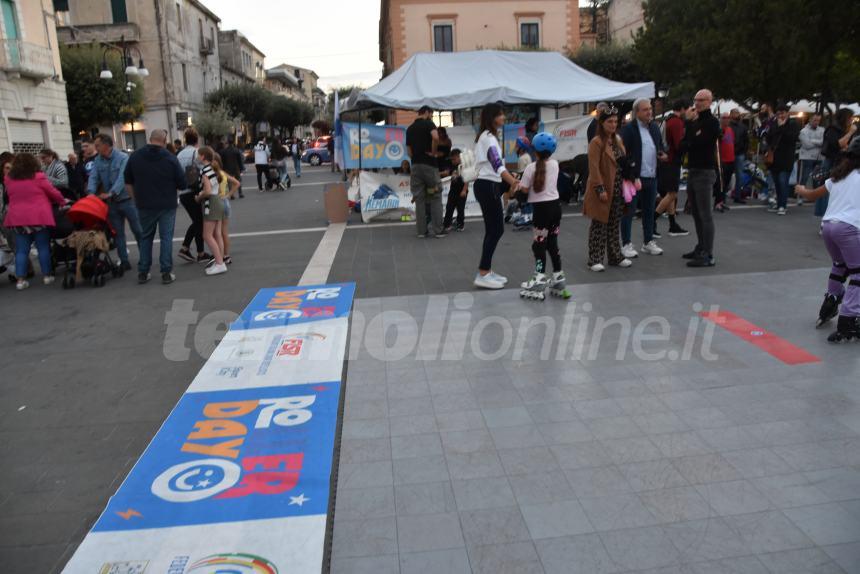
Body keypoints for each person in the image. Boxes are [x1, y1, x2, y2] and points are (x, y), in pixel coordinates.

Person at [795, 136, 860, 342]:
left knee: (839, 266)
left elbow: (812, 195)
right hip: (849, 228)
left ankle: (829, 305)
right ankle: (848, 320)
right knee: (858, 275)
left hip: (828, 227)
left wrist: (800, 189)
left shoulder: (839, 176)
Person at [124, 129, 186, 285]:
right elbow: (182, 183)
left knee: (146, 237)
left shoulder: (135, 157)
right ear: (164, 141)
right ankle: (166, 272)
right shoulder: (170, 158)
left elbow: (127, 182)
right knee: (166, 237)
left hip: (144, 204)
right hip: (166, 204)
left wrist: (135, 199)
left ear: (150, 139)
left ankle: (143, 272)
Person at [473, 103, 521, 288]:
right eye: (500, 115)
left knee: (493, 230)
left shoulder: (487, 136)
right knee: (496, 230)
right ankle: (483, 273)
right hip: (488, 186)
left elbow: (495, 165)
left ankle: (486, 271)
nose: (504, 118)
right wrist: (512, 181)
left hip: (488, 185)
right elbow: (496, 164)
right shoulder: (489, 138)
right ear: (492, 117)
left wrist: (510, 178)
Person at [3, 153, 68, 289]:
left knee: (21, 250)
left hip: (18, 219)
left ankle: (20, 280)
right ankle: (47, 276)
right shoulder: (38, 177)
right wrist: (62, 201)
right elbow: (53, 192)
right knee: (42, 247)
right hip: (38, 217)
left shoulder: (8, 179)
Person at [517, 132, 570, 300]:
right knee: (552, 243)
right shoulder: (555, 164)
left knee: (538, 245)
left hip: (541, 211)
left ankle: (539, 276)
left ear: (534, 149)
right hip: (555, 208)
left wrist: (516, 189)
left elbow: (523, 193)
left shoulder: (530, 168)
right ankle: (558, 277)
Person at [584, 106, 631, 272]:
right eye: (609, 121)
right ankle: (595, 258)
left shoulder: (617, 140)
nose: (613, 124)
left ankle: (615, 256)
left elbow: (623, 162)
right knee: (599, 223)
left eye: (615, 121)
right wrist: (600, 189)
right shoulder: (596, 142)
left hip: (618, 187)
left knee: (613, 224)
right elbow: (594, 168)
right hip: (603, 188)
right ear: (602, 123)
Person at [88, 133, 141, 271]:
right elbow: (93, 177)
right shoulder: (98, 161)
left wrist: (111, 192)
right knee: (118, 233)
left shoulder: (123, 157)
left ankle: (145, 257)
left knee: (138, 230)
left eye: (98, 145)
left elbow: (123, 178)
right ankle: (124, 260)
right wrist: (90, 193)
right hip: (111, 203)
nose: (96, 148)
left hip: (127, 200)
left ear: (106, 145)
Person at [621, 97, 665, 257]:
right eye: (645, 109)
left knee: (649, 211)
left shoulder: (654, 127)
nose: (649, 112)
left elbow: (659, 145)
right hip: (633, 178)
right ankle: (626, 244)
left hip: (651, 176)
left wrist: (662, 153)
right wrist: (632, 175)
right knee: (628, 211)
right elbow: (623, 155)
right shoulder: (629, 130)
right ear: (636, 112)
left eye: (650, 109)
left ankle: (648, 242)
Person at [682, 89, 721, 267]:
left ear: (709, 102)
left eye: (701, 100)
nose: (697, 103)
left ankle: (708, 253)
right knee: (696, 213)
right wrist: (691, 128)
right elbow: (686, 143)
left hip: (705, 172)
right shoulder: (694, 121)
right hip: (694, 170)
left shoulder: (711, 122)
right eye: (696, 99)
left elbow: (699, 142)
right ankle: (701, 246)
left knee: (705, 214)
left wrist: (691, 127)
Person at [406, 105, 445, 238]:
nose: (432, 116)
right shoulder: (429, 124)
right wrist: (433, 153)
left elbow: (409, 152)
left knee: (419, 198)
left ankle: (421, 232)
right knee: (435, 196)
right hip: (429, 166)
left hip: (415, 167)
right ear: (427, 112)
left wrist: (417, 158)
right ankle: (438, 230)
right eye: (431, 114)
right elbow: (435, 137)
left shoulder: (410, 129)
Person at [656, 99, 690, 236]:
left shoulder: (667, 120)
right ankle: (652, 220)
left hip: (666, 161)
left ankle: (672, 224)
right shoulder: (676, 122)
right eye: (688, 109)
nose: (688, 112)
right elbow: (679, 145)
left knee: (670, 194)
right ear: (682, 108)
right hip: (671, 162)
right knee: (672, 194)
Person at [176, 128, 210, 264]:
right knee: (199, 221)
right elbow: (204, 170)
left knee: (197, 221)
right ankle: (198, 252)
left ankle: (188, 249)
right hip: (194, 191)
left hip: (183, 192)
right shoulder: (197, 153)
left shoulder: (179, 155)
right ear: (197, 140)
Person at [818, 109, 857, 218]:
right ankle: (823, 216)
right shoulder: (833, 129)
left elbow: (846, 146)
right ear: (844, 118)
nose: (852, 120)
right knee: (827, 189)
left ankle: (832, 216)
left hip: (842, 162)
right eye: (850, 117)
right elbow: (839, 144)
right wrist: (850, 132)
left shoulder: (845, 130)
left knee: (838, 191)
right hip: (831, 162)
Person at [195, 146, 227, 276]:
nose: (197, 157)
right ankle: (220, 261)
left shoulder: (205, 171)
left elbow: (207, 191)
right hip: (217, 201)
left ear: (203, 156)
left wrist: (199, 196)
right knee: (216, 234)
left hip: (211, 203)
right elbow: (214, 188)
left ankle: (219, 263)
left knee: (207, 235)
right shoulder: (212, 169)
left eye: (198, 155)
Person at [766, 104, 800, 216]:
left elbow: (792, 138)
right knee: (776, 183)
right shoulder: (774, 123)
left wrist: (781, 128)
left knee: (783, 181)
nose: (781, 115)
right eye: (779, 113)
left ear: (787, 113)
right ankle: (779, 202)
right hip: (775, 158)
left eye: (783, 112)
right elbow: (769, 137)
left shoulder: (793, 124)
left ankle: (782, 205)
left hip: (787, 158)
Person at [212, 155, 240, 267]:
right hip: (225, 201)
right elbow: (237, 183)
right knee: (224, 231)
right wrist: (228, 195)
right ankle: (226, 255)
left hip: (216, 202)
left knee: (217, 232)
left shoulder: (213, 174)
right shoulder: (223, 173)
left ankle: (220, 255)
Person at [797, 113, 824, 207]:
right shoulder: (803, 131)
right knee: (804, 177)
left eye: (818, 120)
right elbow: (806, 145)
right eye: (815, 120)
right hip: (807, 157)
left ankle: (816, 197)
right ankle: (800, 196)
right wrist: (818, 142)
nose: (817, 122)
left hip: (818, 157)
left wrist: (812, 140)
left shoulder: (822, 130)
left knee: (817, 178)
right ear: (810, 120)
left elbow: (824, 142)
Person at [713, 113, 735, 213]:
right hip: (722, 161)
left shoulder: (730, 129)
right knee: (720, 184)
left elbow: (732, 142)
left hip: (731, 159)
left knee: (726, 183)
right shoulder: (718, 130)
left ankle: (721, 201)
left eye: (727, 118)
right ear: (720, 119)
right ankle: (717, 203)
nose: (726, 120)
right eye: (724, 118)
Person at [443, 149, 466, 232]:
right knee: (449, 207)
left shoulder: (464, 166)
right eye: (451, 159)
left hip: (462, 190)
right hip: (453, 190)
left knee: (460, 208)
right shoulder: (451, 166)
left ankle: (460, 224)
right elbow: (447, 173)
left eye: (454, 159)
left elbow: (467, 180)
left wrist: (464, 190)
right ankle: (446, 224)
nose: (452, 161)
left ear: (460, 157)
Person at [729, 108, 749, 204]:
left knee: (739, 176)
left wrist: (744, 152)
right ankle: (721, 197)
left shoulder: (743, 127)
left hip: (739, 153)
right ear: (731, 114)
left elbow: (746, 140)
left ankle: (737, 195)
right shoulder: (727, 126)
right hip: (729, 153)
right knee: (726, 175)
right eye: (734, 113)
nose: (736, 114)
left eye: (737, 113)